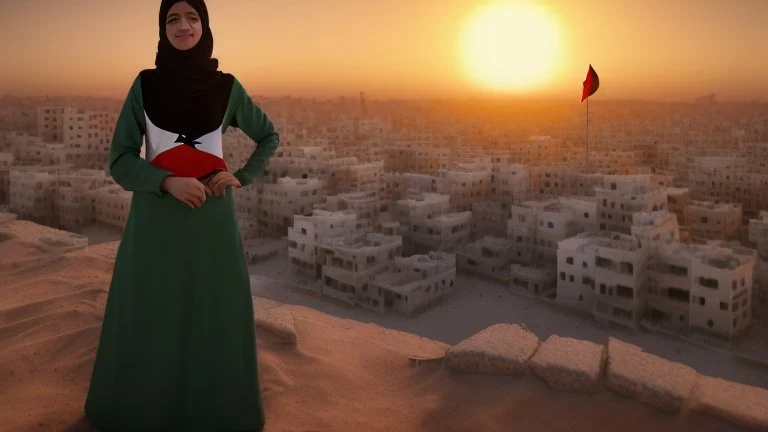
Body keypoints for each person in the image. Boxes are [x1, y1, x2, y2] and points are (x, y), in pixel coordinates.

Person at [83, 0, 278, 430]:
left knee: (214, 313)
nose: (183, 26)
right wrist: (166, 181)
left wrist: (241, 176)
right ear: (162, 28)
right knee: (150, 311)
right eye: (173, 18)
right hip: (156, 223)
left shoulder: (226, 87)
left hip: (212, 225)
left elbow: (267, 135)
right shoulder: (145, 85)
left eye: (192, 17)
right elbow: (119, 159)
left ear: (204, 26)